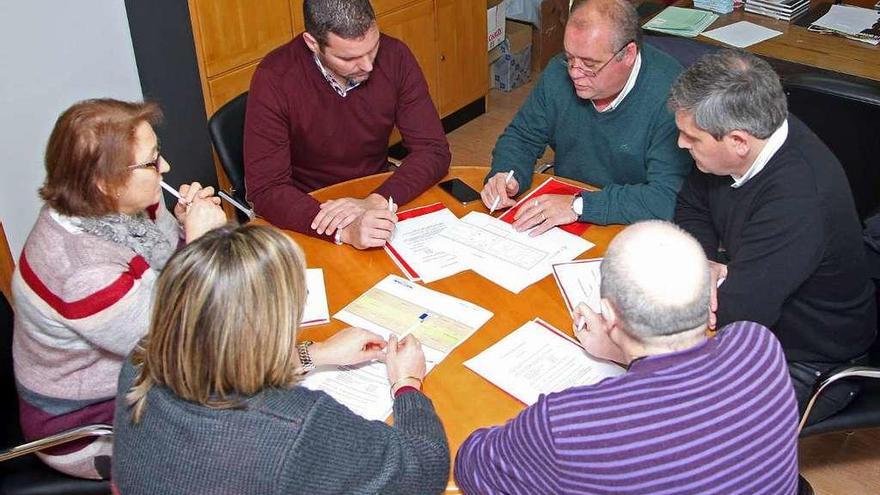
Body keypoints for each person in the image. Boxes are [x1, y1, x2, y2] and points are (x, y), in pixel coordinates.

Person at [454, 221, 800, 494]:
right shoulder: (758, 344)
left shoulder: (565, 425)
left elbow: (473, 467)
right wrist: (619, 351)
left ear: (608, 314)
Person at [112, 224, 450, 494]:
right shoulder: (296, 426)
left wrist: (314, 354)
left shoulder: (143, 357)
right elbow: (424, 469)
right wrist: (408, 384)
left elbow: (219, 359)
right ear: (271, 322)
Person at [11, 98, 227, 479]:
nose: (166, 168)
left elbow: (158, 267)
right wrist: (198, 245)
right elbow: (179, 336)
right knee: (241, 448)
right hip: (93, 424)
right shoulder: (82, 270)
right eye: (152, 162)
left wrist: (181, 228)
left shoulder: (126, 203)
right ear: (106, 183)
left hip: (141, 379)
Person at [670, 50, 877, 424]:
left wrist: (629, 348)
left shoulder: (798, 200)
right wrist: (700, 262)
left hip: (810, 360)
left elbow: (739, 316)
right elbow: (691, 206)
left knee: (680, 422)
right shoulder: (748, 135)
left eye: (691, 137)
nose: (682, 144)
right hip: (754, 297)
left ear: (737, 141)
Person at [245, 0, 451, 249]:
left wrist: (375, 200)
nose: (368, 65)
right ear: (313, 44)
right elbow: (267, 189)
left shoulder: (396, 55)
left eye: (373, 48)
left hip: (377, 191)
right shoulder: (275, 78)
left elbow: (434, 150)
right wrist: (344, 230)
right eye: (349, 58)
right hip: (311, 211)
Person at [480, 0, 692, 235]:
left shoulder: (672, 95)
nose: (574, 72)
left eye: (590, 64)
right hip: (569, 214)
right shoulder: (557, 73)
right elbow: (522, 137)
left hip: (635, 225)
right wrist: (507, 175)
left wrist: (580, 205)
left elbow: (666, 197)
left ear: (628, 54)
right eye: (569, 57)